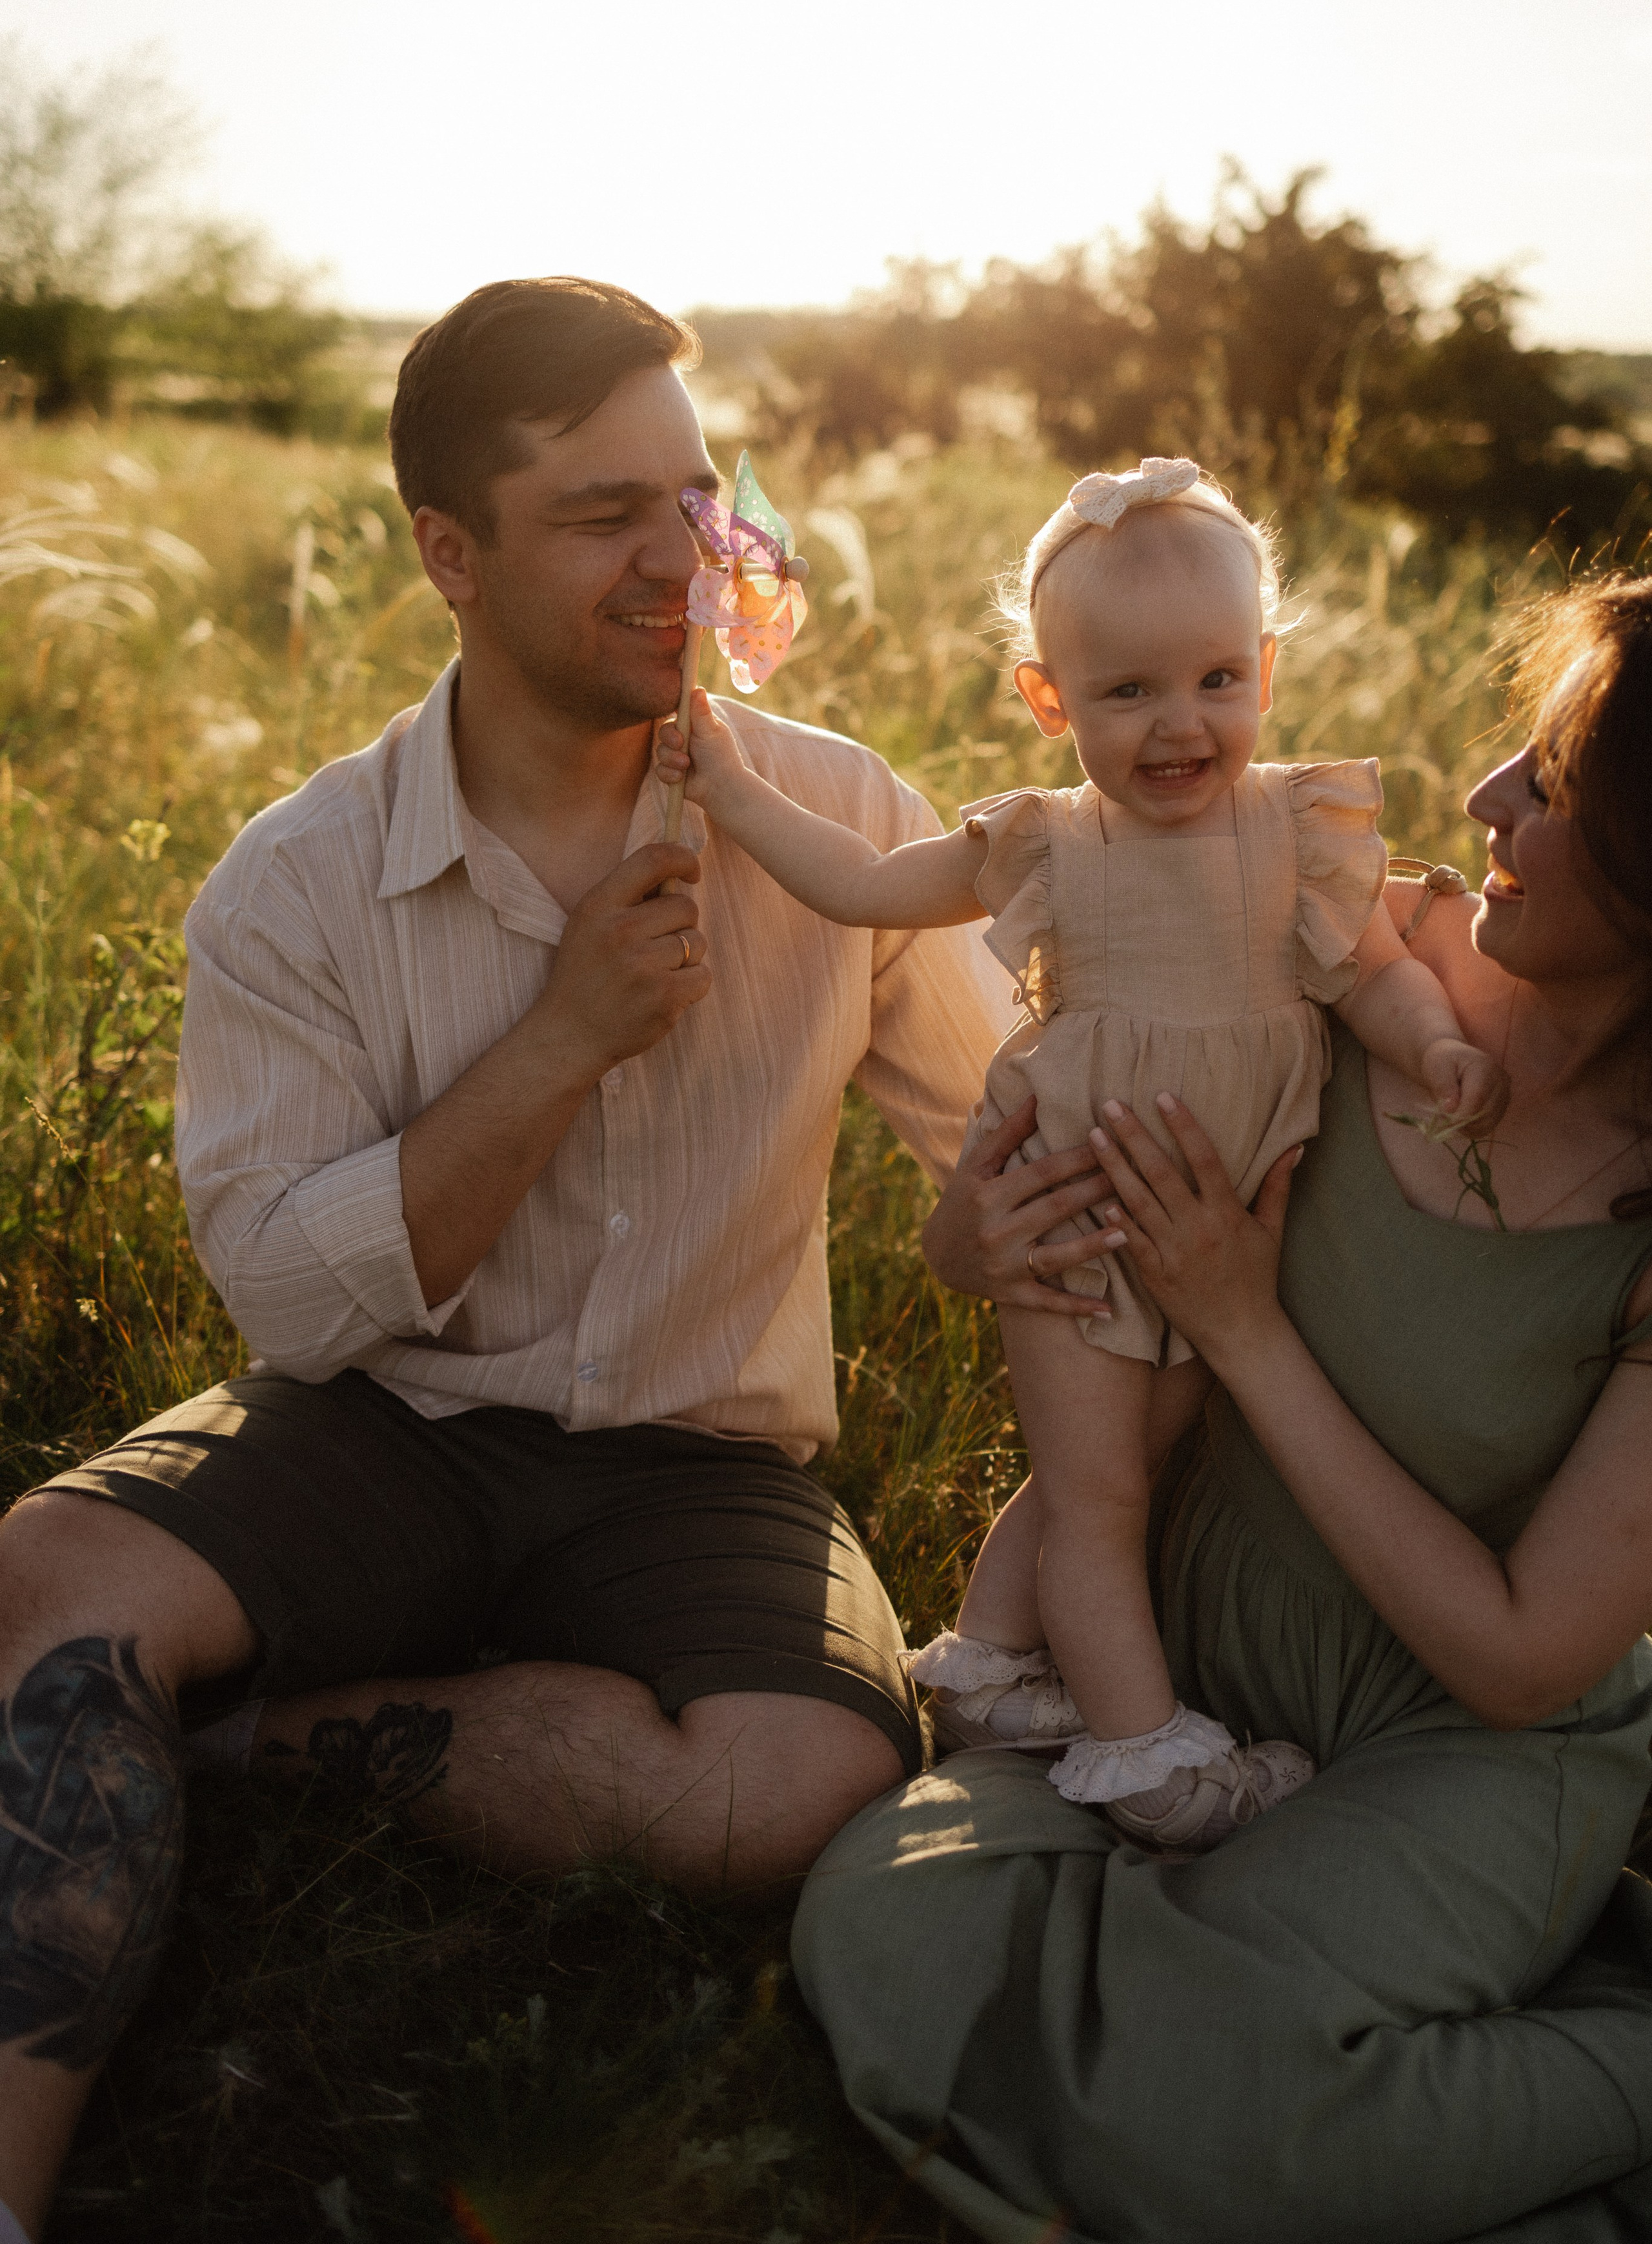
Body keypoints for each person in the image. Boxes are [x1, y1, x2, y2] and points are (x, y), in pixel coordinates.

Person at [0, 277, 1012, 2242]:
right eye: (604, 512)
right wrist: (558, 1038)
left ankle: (252, 1735)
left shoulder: (842, 819)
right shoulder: (296, 886)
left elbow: (1002, 1137)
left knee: (802, 1778)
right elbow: (292, 1308)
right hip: (388, 1418)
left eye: (699, 499)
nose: (682, 560)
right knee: (48, 1581)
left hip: (702, 1457)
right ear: (446, 554)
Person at [792, 569, 1652, 2244]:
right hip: (1179, 1658)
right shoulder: (1354, 943)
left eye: (1545, 783)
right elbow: (1046, 1211)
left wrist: (1249, 1330)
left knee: (1205, 2093)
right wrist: (981, 1226)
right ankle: (1299, 2047)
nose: (1480, 798)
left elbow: (1523, 1654)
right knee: (874, 1922)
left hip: (1456, 1746)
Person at [656, 456, 1506, 1847]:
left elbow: (1370, 975)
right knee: (1102, 1493)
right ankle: (1145, 1758)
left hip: (1221, 1223)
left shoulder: (1295, 826)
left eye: (1215, 680)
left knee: (1123, 1460)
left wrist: (1432, 1049)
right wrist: (736, 794)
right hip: (1079, 1201)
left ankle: (990, 1668)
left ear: (1264, 672)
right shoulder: (1046, 841)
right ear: (1047, 698)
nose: (1180, 725)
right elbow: (867, 888)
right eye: (1126, 693)